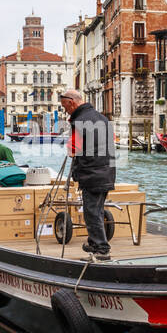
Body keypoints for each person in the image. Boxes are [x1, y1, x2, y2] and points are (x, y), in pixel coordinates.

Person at [60, 89, 115, 260]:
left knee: (91, 212)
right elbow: (112, 140)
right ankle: (93, 243)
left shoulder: (80, 121)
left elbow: (72, 150)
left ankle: (101, 249)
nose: (65, 110)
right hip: (106, 171)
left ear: (72, 102)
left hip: (92, 173)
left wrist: (72, 150)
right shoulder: (103, 118)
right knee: (96, 210)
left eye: (65, 107)